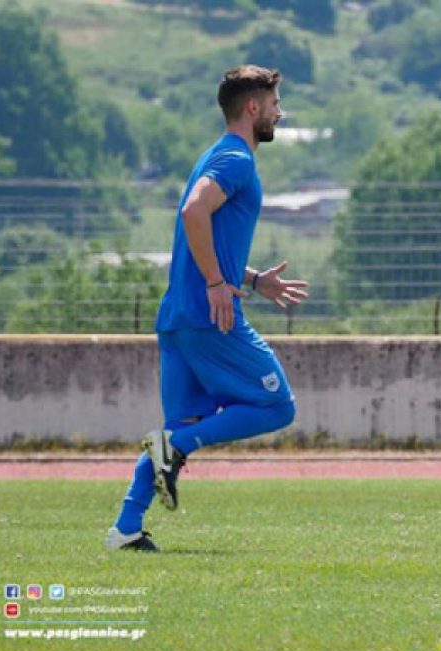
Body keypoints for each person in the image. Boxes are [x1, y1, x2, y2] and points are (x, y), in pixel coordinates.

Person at [105, 65, 308, 552]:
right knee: (277, 405)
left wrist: (254, 279)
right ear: (253, 108)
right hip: (209, 316)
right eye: (275, 104)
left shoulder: (214, 156)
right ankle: (177, 449)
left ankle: (126, 529)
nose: (280, 113)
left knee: (179, 429)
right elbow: (194, 213)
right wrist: (219, 284)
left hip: (179, 319)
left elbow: (207, 234)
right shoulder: (237, 160)